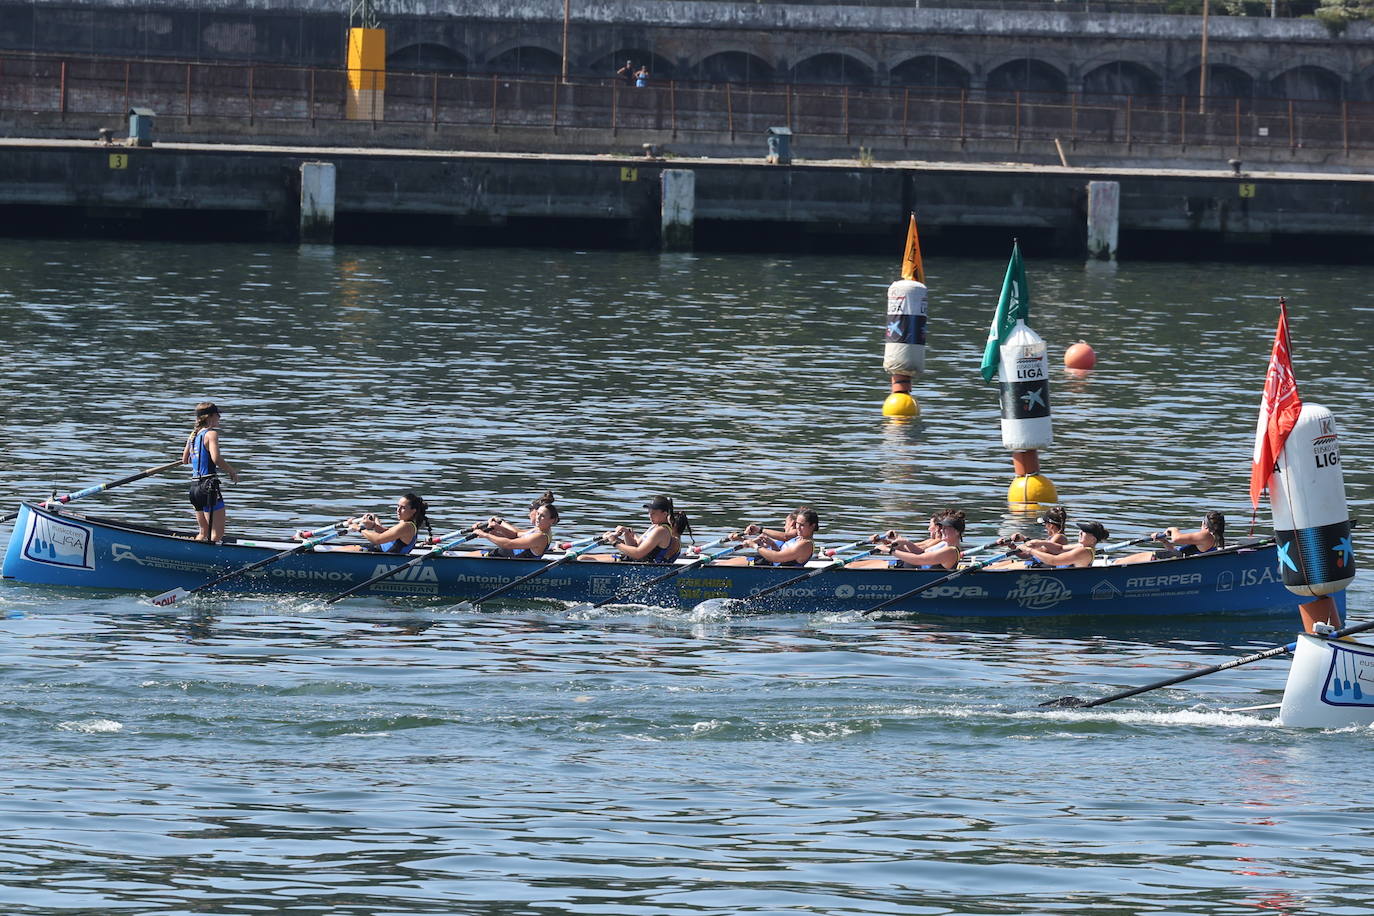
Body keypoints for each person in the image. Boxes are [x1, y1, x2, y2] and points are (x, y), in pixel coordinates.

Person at [181, 401, 239, 543]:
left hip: (194, 488)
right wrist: (231, 471)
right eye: (217, 414)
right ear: (210, 417)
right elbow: (216, 458)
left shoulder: (193, 435)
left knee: (203, 532)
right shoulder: (211, 434)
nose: (219, 417)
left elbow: (184, 459)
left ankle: (193, 555)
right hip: (208, 487)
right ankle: (210, 563)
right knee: (216, 535)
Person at [598, 495, 690, 562]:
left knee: (584, 559)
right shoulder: (654, 526)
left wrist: (614, 542)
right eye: (649, 513)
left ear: (664, 514)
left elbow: (638, 554)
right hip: (631, 561)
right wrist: (627, 534)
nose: (650, 516)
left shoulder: (661, 531)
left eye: (653, 513)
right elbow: (635, 546)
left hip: (639, 566)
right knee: (584, 558)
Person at [720, 507, 819, 567]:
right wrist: (771, 544)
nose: (798, 527)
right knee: (719, 565)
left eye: (802, 525)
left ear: (812, 526)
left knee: (720, 566)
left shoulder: (805, 544)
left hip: (768, 569)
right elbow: (783, 556)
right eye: (797, 524)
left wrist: (755, 546)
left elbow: (776, 558)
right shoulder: (799, 539)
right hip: (766, 564)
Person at [1114, 512, 1225, 565]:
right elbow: (1176, 552)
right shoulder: (1216, 539)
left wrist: (1173, 529)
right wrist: (1164, 541)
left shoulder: (1206, 535)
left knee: (1117, 563)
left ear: (1205, 524)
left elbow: (1176, 539)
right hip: (1172, 559)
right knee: (1118, 562)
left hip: (1161, 559)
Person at [340, 493, 432, 555]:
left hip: (378, 556)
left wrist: (359, 528)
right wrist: (374, 523)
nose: (398, 510)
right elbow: (385, 533)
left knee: (337, 552)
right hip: (376, 551)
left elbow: (378, 539)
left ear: (413, 511)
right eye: (397, 506)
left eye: (403, 508)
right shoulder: (405, 523)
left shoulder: (407, 526)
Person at [868, 513, 965, 570]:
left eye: (946, 528)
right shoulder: (946, 545)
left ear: (957, 532)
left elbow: (919, 559)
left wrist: (890, 551)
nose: (942, 530)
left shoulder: (950, 551)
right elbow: (919, 552)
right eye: (942, 527)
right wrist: (887, 542)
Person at [472, 495, 560, 559]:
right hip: (501, 556)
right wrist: (496, 530)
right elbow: (515, 535)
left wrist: (485, 535)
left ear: (552, 520)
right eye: (537, 514)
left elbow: (508, 544)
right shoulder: (538, 529)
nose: (538, 518)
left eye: (542, 516)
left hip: (505, 564)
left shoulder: (540, 536)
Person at [989, 506, 1069, 569]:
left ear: (1050, 525)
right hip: (1034, 565)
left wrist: (1025, 540)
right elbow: (1027, 554)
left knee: (998, 568)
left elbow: (1036, 551)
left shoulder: (1059, 537)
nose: (1045, 527)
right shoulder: (1051, 538)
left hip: (1038, 568)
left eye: (1045, 524)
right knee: (1001, 564)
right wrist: (1012, 545)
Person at [1013, 520, 1107, 569]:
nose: (1080, 533)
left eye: (1085, 531)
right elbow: (1060, 548)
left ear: (1093, 539)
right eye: (1081, 530)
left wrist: (1030, 550)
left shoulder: (1083, 551)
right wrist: (1040, 542)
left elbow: (1054, 561)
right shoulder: (1082, 546)